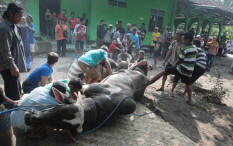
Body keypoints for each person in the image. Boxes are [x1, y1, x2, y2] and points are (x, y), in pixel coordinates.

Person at [149, 32, 197, 105]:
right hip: (188, 70)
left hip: (181, 67)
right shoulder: (194, 47)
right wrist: (165, 60)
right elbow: (170, 52)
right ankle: (189, 101)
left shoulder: (184, 47)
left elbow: (180, 60)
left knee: (163, 72)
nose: (176, 36)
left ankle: (148, 83)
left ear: (186, 39)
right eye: (176, 35)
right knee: (188, 84)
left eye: (179, 36)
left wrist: (174, 65)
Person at [0, 3, 27, 100]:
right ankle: (11, 113)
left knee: (17, 90)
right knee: (13, 95)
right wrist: (13, 66)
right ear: (11, 14)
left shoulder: (14, 26)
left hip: (14, 66)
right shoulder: (4, 29)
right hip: (8, 67)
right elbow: (5, 51)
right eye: (19, 16)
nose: (20, 19)